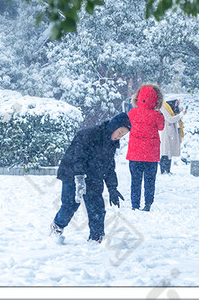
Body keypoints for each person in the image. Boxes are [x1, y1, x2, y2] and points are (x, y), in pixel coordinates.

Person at [50, 113, 130, 243]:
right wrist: (79, 177)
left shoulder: (112, 144)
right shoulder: (89, 134)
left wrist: (112, 188)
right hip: (72, 173)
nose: (119, 136)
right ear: (113, 126)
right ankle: (57, 226)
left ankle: (96, 238)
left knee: (96, 206)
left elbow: (109, 167)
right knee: (70, 205)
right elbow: (78, 157)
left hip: (93, 176)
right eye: (120, 132)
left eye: (123, 135)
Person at [126, 84, 165, 210]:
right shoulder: (156, 115)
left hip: (134, 153)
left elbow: (128, 125)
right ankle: (148, 204)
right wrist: (159, 113)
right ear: (156, 99)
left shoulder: (132, 113)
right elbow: (161, 127)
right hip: (151, 155)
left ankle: (134, 204)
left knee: (135, 181)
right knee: (150, 181)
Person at [158, 97, 186, 174]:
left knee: (170, 152)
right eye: (176, 102)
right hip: (167, 131)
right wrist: (181, 115)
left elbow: (178, 111)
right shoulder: (164, 108)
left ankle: (168, 170)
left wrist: (180, 109)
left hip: (173, 132)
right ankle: (163, 170)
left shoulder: (172, 108)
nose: (177, 104)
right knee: (165, 152)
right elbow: (170, 119)